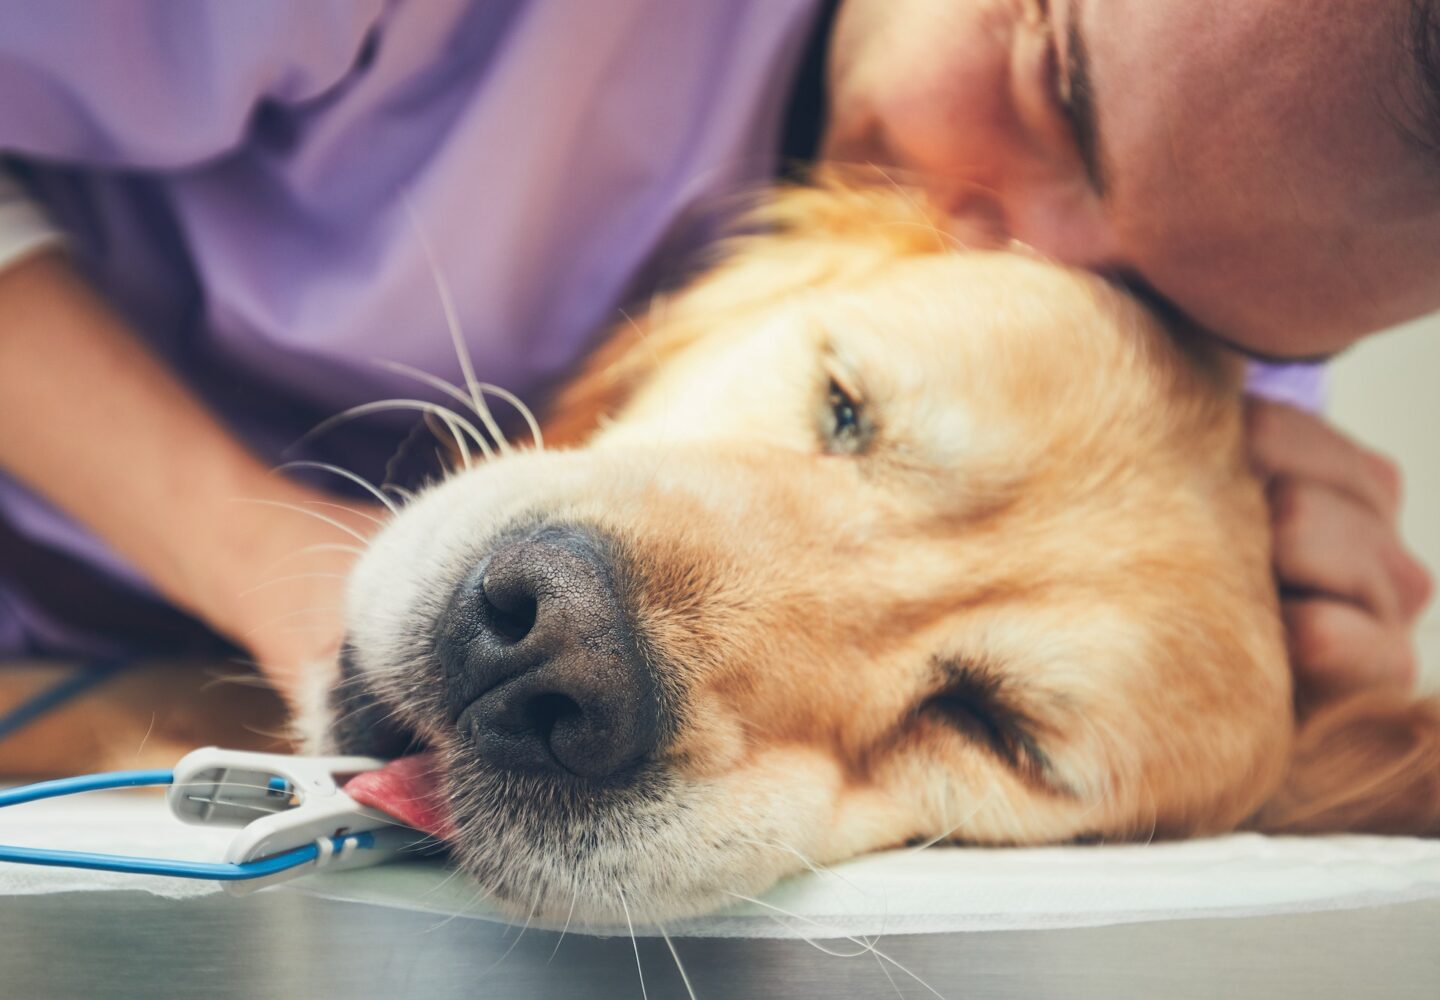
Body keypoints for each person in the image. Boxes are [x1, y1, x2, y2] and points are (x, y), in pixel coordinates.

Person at [0, 0, 1431, 709]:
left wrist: (1282, 670)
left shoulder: (1201, 275)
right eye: (1052, 84)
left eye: (1191, 309)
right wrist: (253, 557)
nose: (1013, 270)